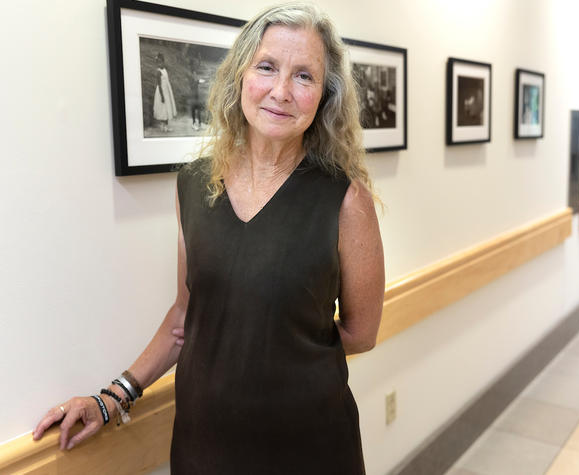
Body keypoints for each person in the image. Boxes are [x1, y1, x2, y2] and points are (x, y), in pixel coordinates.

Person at [32, 3, 385, 474]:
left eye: (304, 76)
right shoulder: (195, 185)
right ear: (240, 75)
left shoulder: (344, 200)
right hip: (205, 443)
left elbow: (361, 334)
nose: (282, 91)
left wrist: (278, 351)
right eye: (267, 67)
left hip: (308, 444)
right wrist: (113, 396)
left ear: (324, 96)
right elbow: (186, 315)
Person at [153, 52, 177, 133]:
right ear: (157, 63)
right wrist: (162, 96)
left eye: (161, 62)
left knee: (167, 108)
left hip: (167, 91)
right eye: (158, 62)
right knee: (163, 108)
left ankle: (165, 126)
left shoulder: (165, 70)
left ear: (163, 62)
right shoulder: (158, 72)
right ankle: (163, 126)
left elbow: (166, 81)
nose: (160, 64)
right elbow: (159, 85)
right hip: (161, 92)